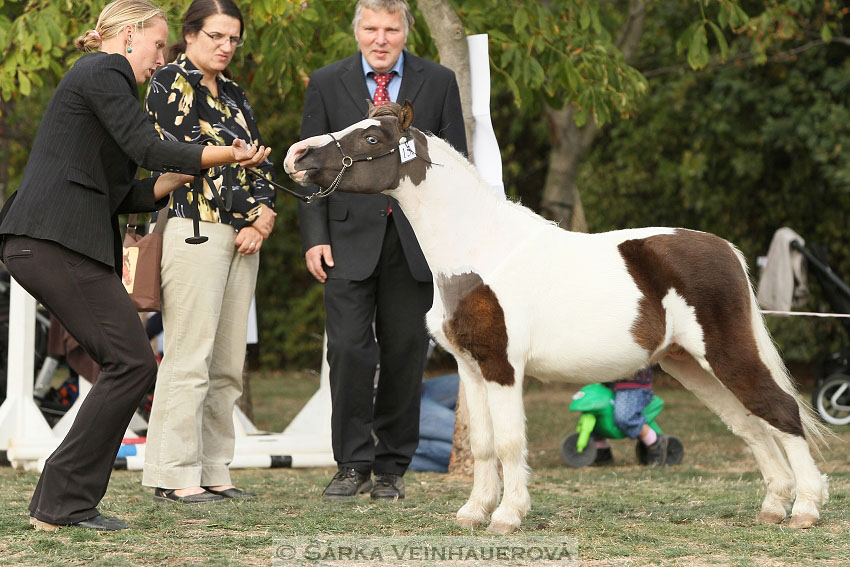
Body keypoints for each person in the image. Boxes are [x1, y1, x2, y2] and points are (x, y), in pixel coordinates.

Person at [0, 0, 269, 531]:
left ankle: (61, 502)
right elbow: (149, 146)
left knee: (130, 363)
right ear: (128, 36)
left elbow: (126, 190)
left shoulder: (102, 82)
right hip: (54, 242)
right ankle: (63, 503)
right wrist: (227, 154)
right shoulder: (102, 70)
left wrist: (168, 185)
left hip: (59, 243)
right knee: (132, 363)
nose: (160, 56)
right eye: (157, 44)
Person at [298, 0, 467, 501]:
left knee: (404, 353)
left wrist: (450, 244)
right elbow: (309, 165)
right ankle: (351, 464)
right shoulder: (327, 83)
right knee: (348, 350)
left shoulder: (437, 82)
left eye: (390, 29)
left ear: (405, 32)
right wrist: (315, 236)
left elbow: (454, 164)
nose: (380, 38)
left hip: (416, 243)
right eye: (370, 28)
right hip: (346, 239)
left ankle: (392, 468)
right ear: (357, 32)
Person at [141, 0, 275, 504]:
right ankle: (173, 474)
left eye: (233, 38)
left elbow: (259, 161)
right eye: (216, 36)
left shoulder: (236, 93)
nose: (225, 47)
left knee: (226, 365)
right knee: (188, 358)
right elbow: (182, 153)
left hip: (244, 237)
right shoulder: (169, 81)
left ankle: (215, 468)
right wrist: (242, 174)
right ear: (191, 34)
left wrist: (264, 215)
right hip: (195, 227)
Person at [593, 365, 668, 466]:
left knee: (625, 418)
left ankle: (655, 443)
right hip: (609, 382)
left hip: (632, 385)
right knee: (596, 412)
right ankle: (601, 449)